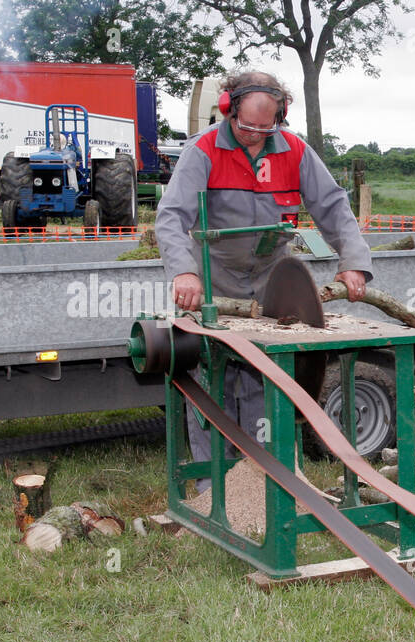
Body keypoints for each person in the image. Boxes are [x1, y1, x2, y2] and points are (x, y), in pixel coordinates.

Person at [156, 70, 372, 478]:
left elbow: (333, 206)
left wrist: (354, 260)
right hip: (214, 280)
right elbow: (170, 217)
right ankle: (212, 485)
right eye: (245, 125)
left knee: (266, 378)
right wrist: (184, 272)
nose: (254, 134)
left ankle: (264, 478)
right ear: (228, 108)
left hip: (273, 284)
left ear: (280, 117)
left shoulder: (294, 150)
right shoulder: (202, 150)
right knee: (211, 383)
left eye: (264, 126)